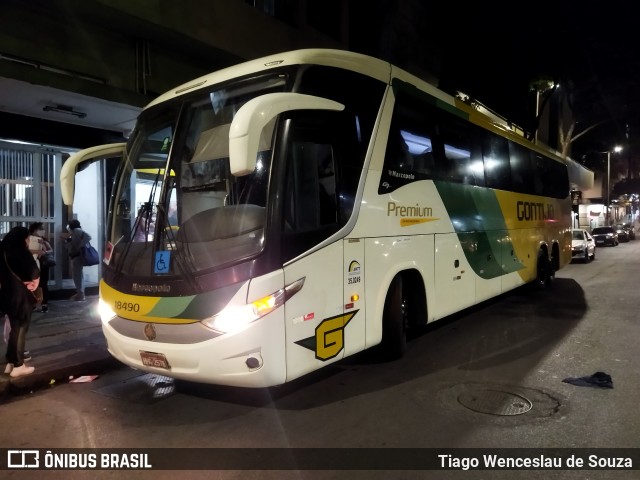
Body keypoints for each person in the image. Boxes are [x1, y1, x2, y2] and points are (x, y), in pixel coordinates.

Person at [0, 226, 40, 378]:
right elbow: (34, 271)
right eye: (27, 238)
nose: (28, 240)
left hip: (6, 295)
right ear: (23, 239)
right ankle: (18, 364)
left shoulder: (2, 251)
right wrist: (34, 283)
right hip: (21, 296)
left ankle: (10, 361)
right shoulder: (22, 252)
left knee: (14, 329)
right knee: (21, 329)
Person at [28, 222, 53, 312]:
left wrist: (44, 250)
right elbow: (25, 251)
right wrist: (37, 251)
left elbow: (50, 250)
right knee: (32, 284)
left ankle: (44, 304)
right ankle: (34, 303)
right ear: (34, 230)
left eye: (43, 229)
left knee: (43, 284)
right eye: (41, 229)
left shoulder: (43, 240)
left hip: (43, 265)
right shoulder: (28, 239)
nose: (43, 231)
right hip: (31, 265)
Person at [64, 219, 91, 301]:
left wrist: (79, 246)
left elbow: (88, 237)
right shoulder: (74, 232)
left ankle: (80, 294)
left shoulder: (77, 230)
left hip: (77, 255)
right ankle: (80, 293)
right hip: (75, 255)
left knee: (77, 275)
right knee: (78, 275)